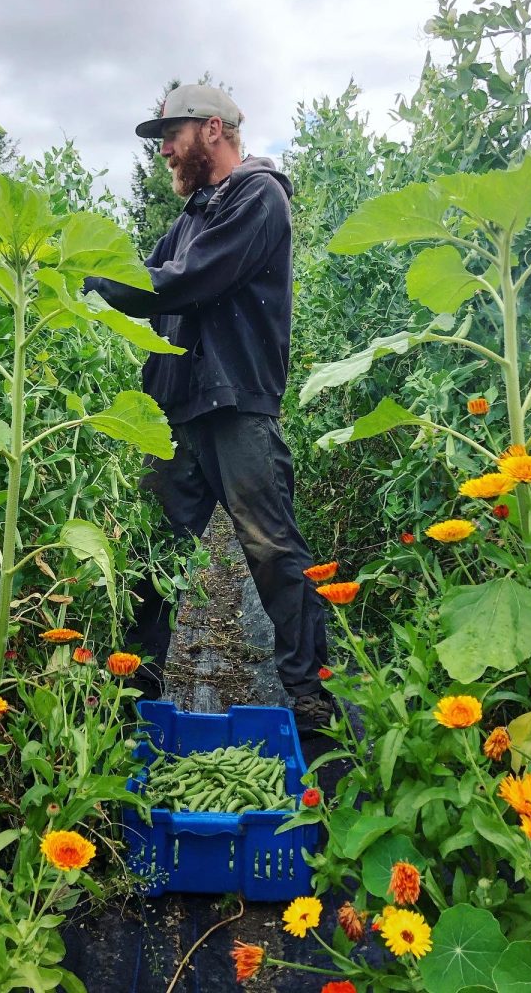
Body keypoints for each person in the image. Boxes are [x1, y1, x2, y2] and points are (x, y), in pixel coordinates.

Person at [84, 84, 332, 732]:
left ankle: (308, 700)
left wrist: (94, 280)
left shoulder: (258, 197)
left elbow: (183, 280)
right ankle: (135, 698)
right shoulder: (194, 214)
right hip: (176, 407)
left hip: (234, 403)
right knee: (154, 558)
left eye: (171, 134)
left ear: (213, 129)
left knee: (272, 551)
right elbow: (154, 279)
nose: (164, 149)